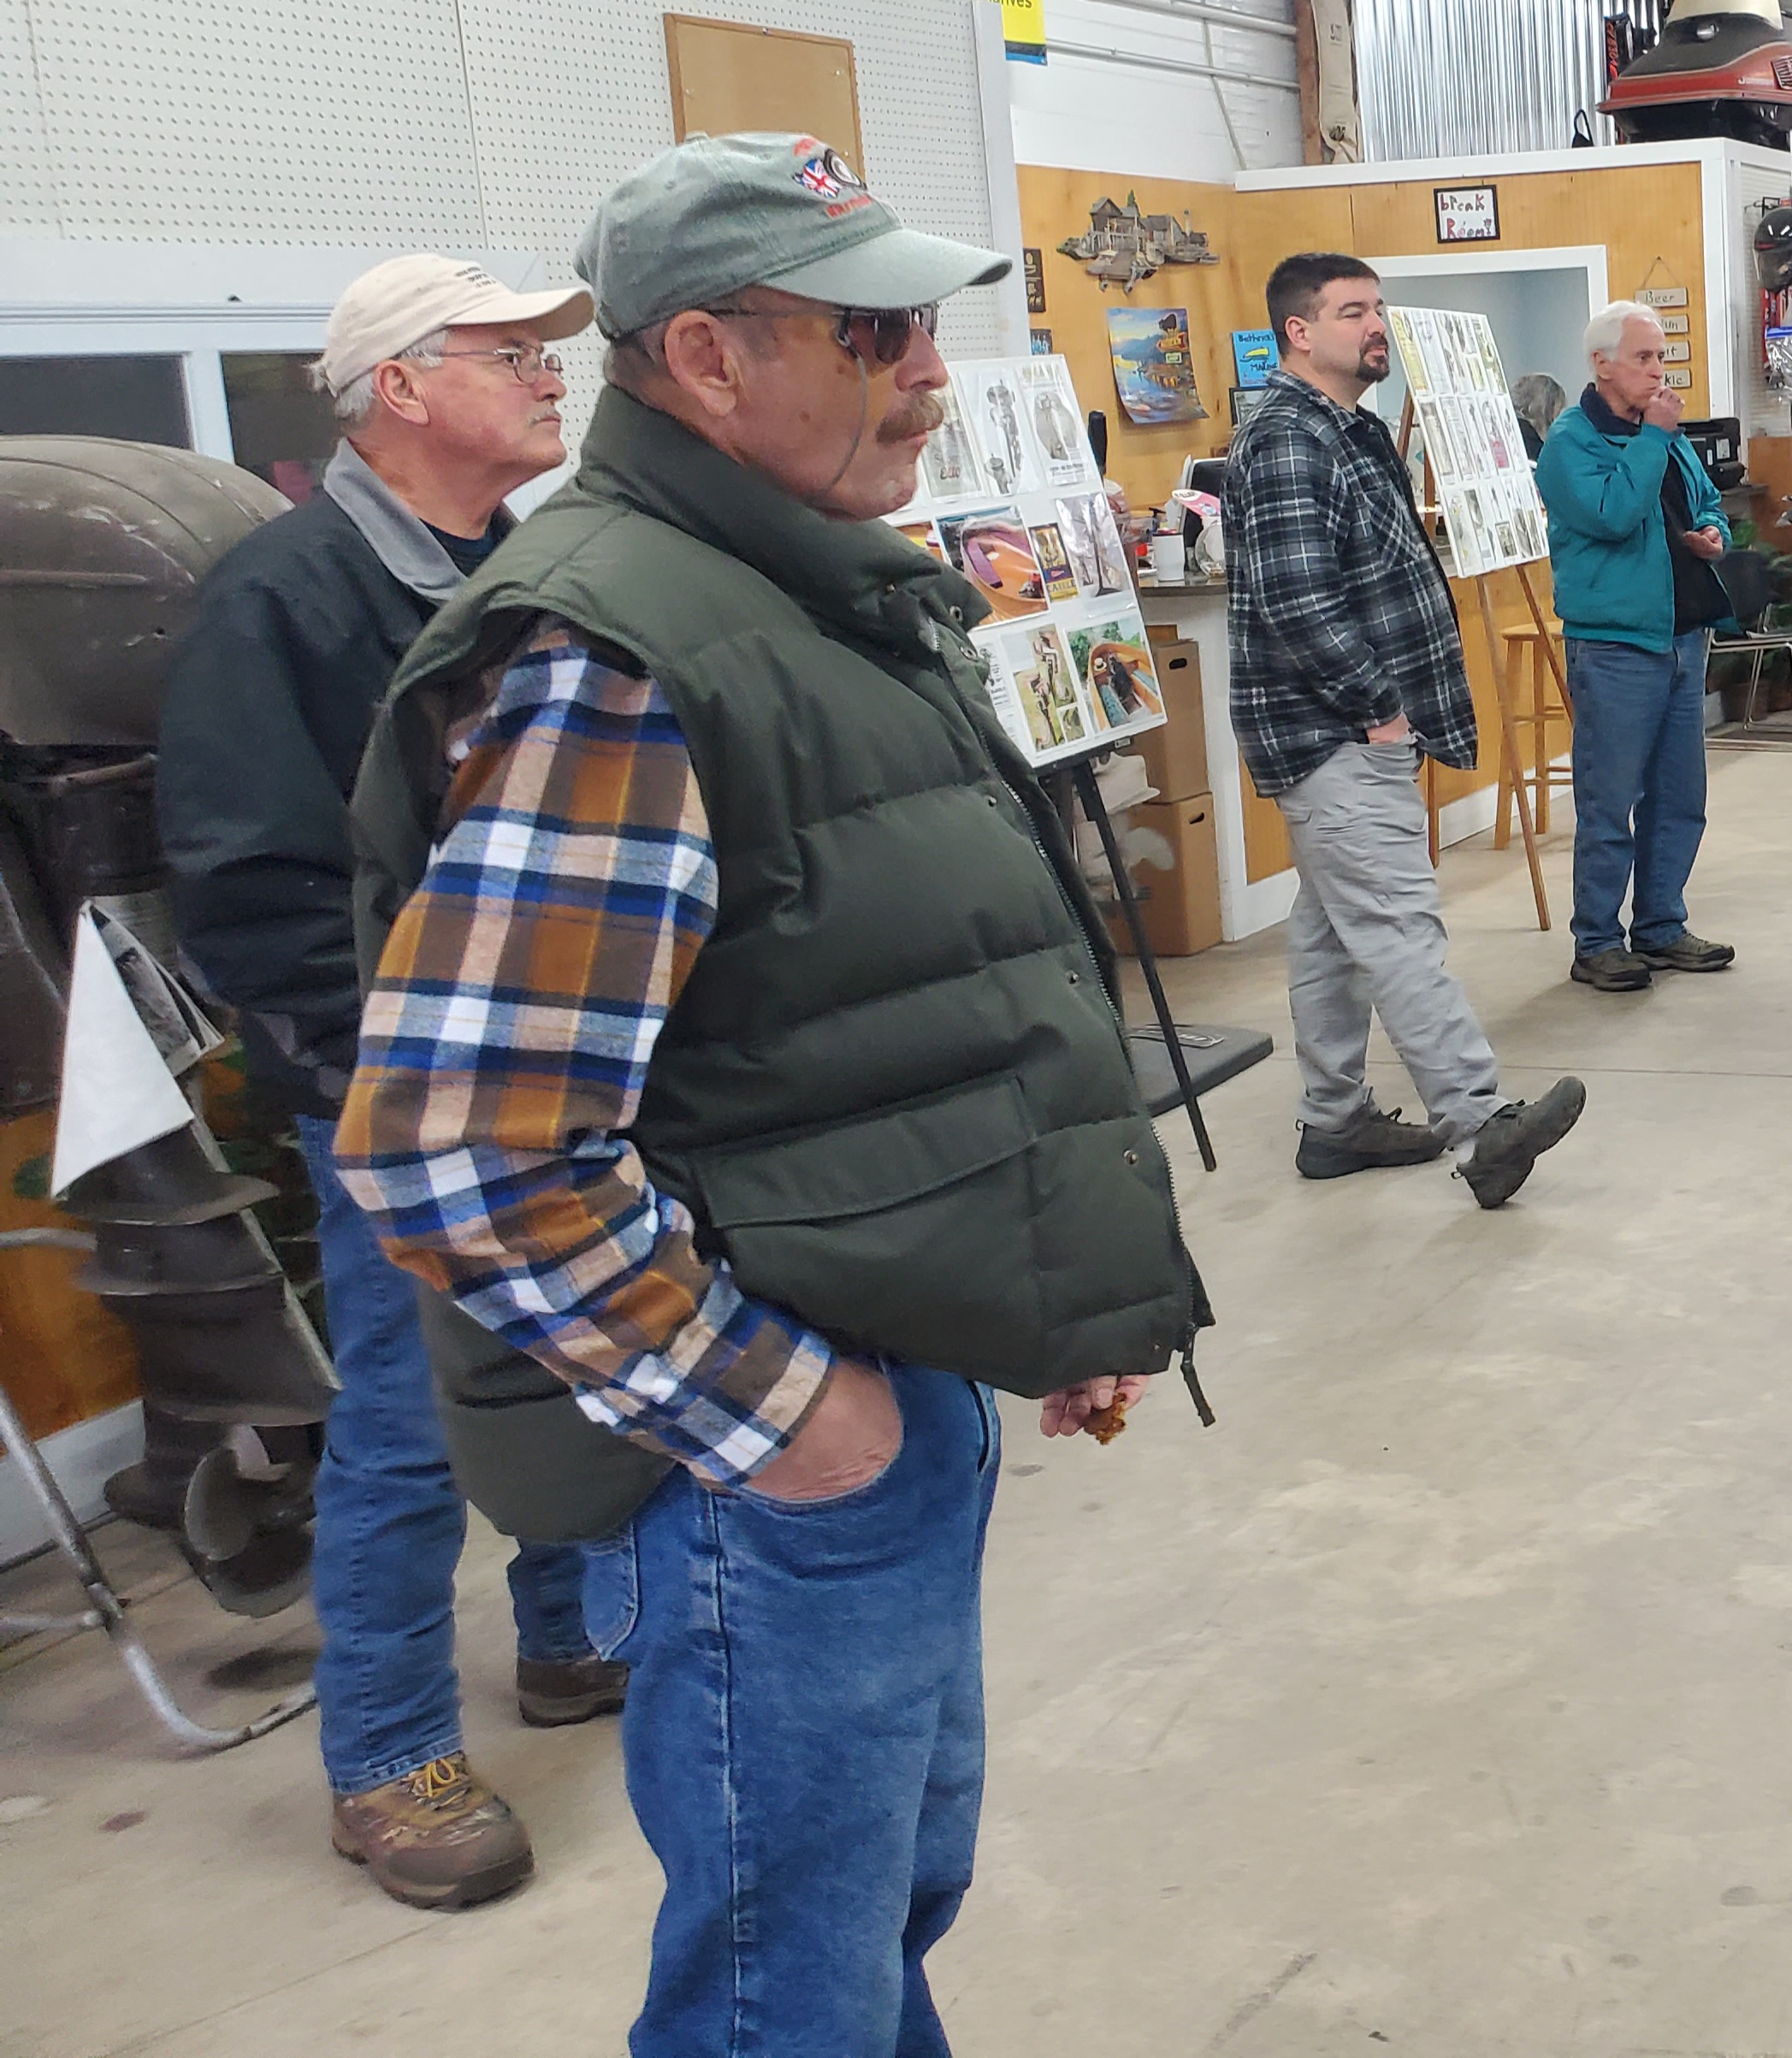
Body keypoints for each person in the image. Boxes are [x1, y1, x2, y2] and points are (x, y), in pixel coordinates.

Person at [336, 134, 1205, 2053]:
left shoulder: (800, 593)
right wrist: (799, 1425)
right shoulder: (621, 656)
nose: (931, 370)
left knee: (867, 1922)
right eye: (873, 331)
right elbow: (464, 1148)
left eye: (923, 325)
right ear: (708, 358)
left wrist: (1026, 1301)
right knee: (783, 1988)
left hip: (877, 1371)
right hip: (767, 1461)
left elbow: (892, 1013)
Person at [157, 254, 609, 1913]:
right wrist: (407, 1080)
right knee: (412, 1434)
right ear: (399, 387)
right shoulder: (282, 599)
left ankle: (569, 1641)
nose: (551, 376)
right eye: (512, 352)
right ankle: (388, 1758)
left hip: (560, 1070)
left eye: (548, 353)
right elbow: (252, 894)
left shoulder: (530, 566)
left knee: (572, 1372)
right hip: (406, 1099)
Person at [1224, 251, 1588, 1200]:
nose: (1376, 326)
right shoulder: (1288, 439)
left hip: (1348, 731)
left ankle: (1334, 1121)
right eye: (1353, 312)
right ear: (1299, 331)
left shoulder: (1349, 429)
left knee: (1332, 933)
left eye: (1377, 308)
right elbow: (1297, 601)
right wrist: (1378, 709)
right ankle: (1480, 1124)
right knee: (1395, 925)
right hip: (1335, 733)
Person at [1536, 301, 1738, 991]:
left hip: (1682, 636)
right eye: (1644, 358)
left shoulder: (1666, 434)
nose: (1659, 371)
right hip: (1616, 647)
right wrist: (1654, 437)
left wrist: (1714, 535)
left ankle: (1660, 926)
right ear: (1602, 365)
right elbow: (1614, 515)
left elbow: (1706, 500)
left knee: (1680, 796)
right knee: (1609, 800)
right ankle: (1597, 941)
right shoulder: (1572, 444)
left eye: (1662, 357)